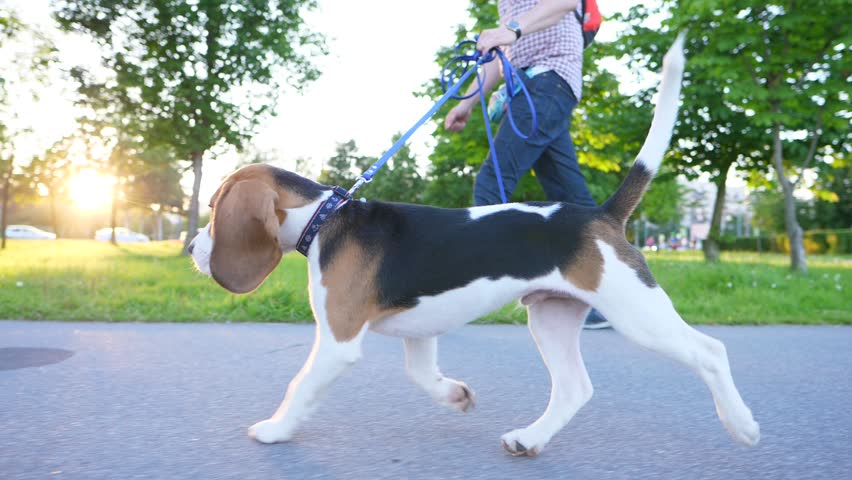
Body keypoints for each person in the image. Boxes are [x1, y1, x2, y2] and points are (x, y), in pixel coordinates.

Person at [444, 0, 611, 329]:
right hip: (536, 87)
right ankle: (608, 297)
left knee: (492, 183)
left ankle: (473, 291)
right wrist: (467, 102)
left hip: (547, 80)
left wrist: (510, 30)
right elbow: (501, 55)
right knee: (571, 198)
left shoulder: (516, 20)